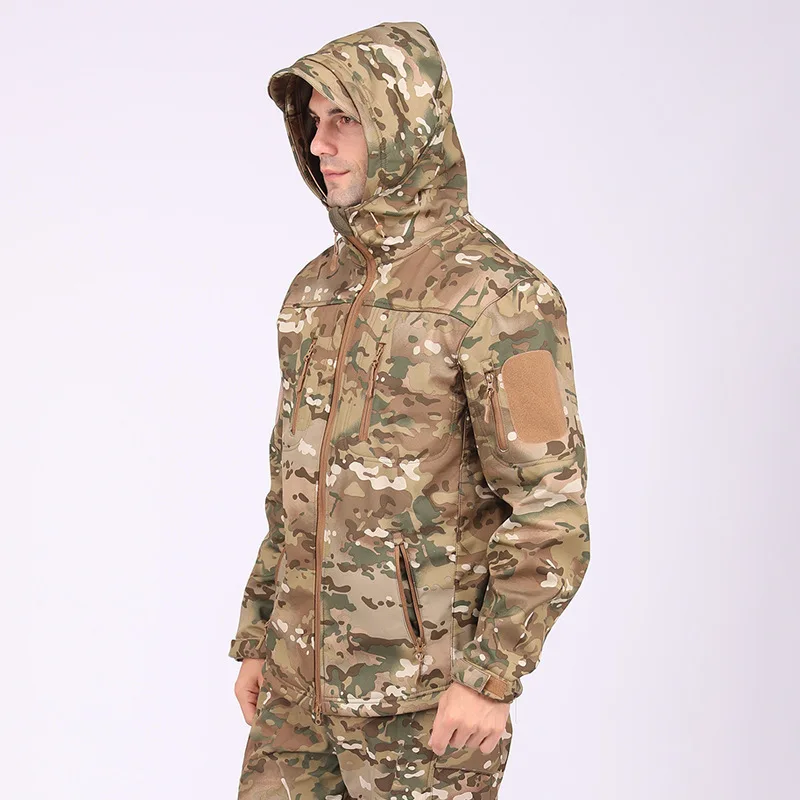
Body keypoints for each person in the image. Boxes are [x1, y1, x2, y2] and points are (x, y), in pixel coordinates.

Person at [228, 19, 591, 799]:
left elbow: (552, 507)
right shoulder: (314, 291)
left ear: (404, 124)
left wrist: (491, 676)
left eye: (344, 119)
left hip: (423, 708)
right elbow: (291, 492)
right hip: (296, 696)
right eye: (312, 121)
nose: (319, 144)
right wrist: (260, 633)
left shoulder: (502, 298)